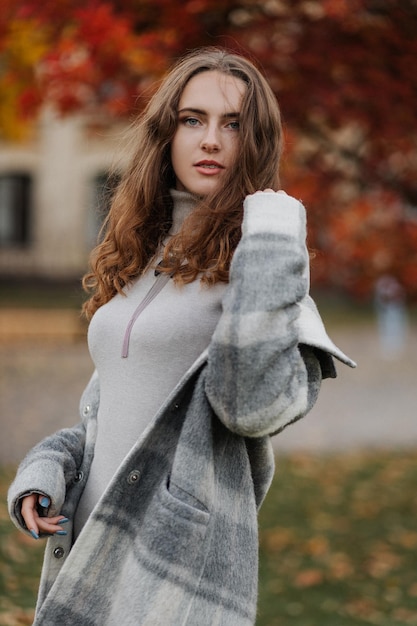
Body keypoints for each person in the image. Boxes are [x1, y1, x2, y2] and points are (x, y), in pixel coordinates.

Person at [8, 47, 355, 625]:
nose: (211, 140)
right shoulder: (141, 259)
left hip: (176, 572)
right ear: (167, 134)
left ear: (257, 142)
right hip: (91, 545)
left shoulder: (264, 274)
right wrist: (46, 471)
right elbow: (111, 413)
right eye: (192, 120)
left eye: (234, 124)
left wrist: (272, 238)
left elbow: (248, 406)